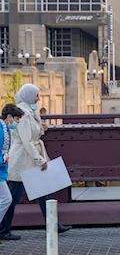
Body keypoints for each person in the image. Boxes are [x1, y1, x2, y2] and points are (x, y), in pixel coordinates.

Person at [0, 84, 72, 241]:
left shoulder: (29, 111)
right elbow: (26, 140)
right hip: (23, 160)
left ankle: (53, 224)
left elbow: (31, 133)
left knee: (43, 193)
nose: (38, 98)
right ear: (29, 95)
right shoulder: (23, 113)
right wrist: (39, 160)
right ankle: (3, 229)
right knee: (13, 197)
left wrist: (41, 128)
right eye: (36, 95)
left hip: (28, 159)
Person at [0, 104, 23, 248]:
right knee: (6, 199)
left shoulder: (4, 129)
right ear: (9, 117)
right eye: (16, 119)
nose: (17, 122)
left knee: (6, 199)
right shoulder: (2, 131)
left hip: (1, 171)